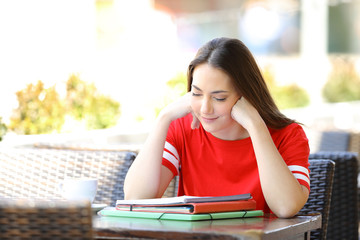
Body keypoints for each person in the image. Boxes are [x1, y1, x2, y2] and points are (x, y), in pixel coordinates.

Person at [124, 37, 310, 218]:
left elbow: (286, 207)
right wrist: (163, 119)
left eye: (219, 98)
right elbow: (135, 199)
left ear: (245, 96)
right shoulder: (183, 128)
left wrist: (256, 126)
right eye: (196, 94)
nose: (205, 109)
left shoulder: (288, 135)